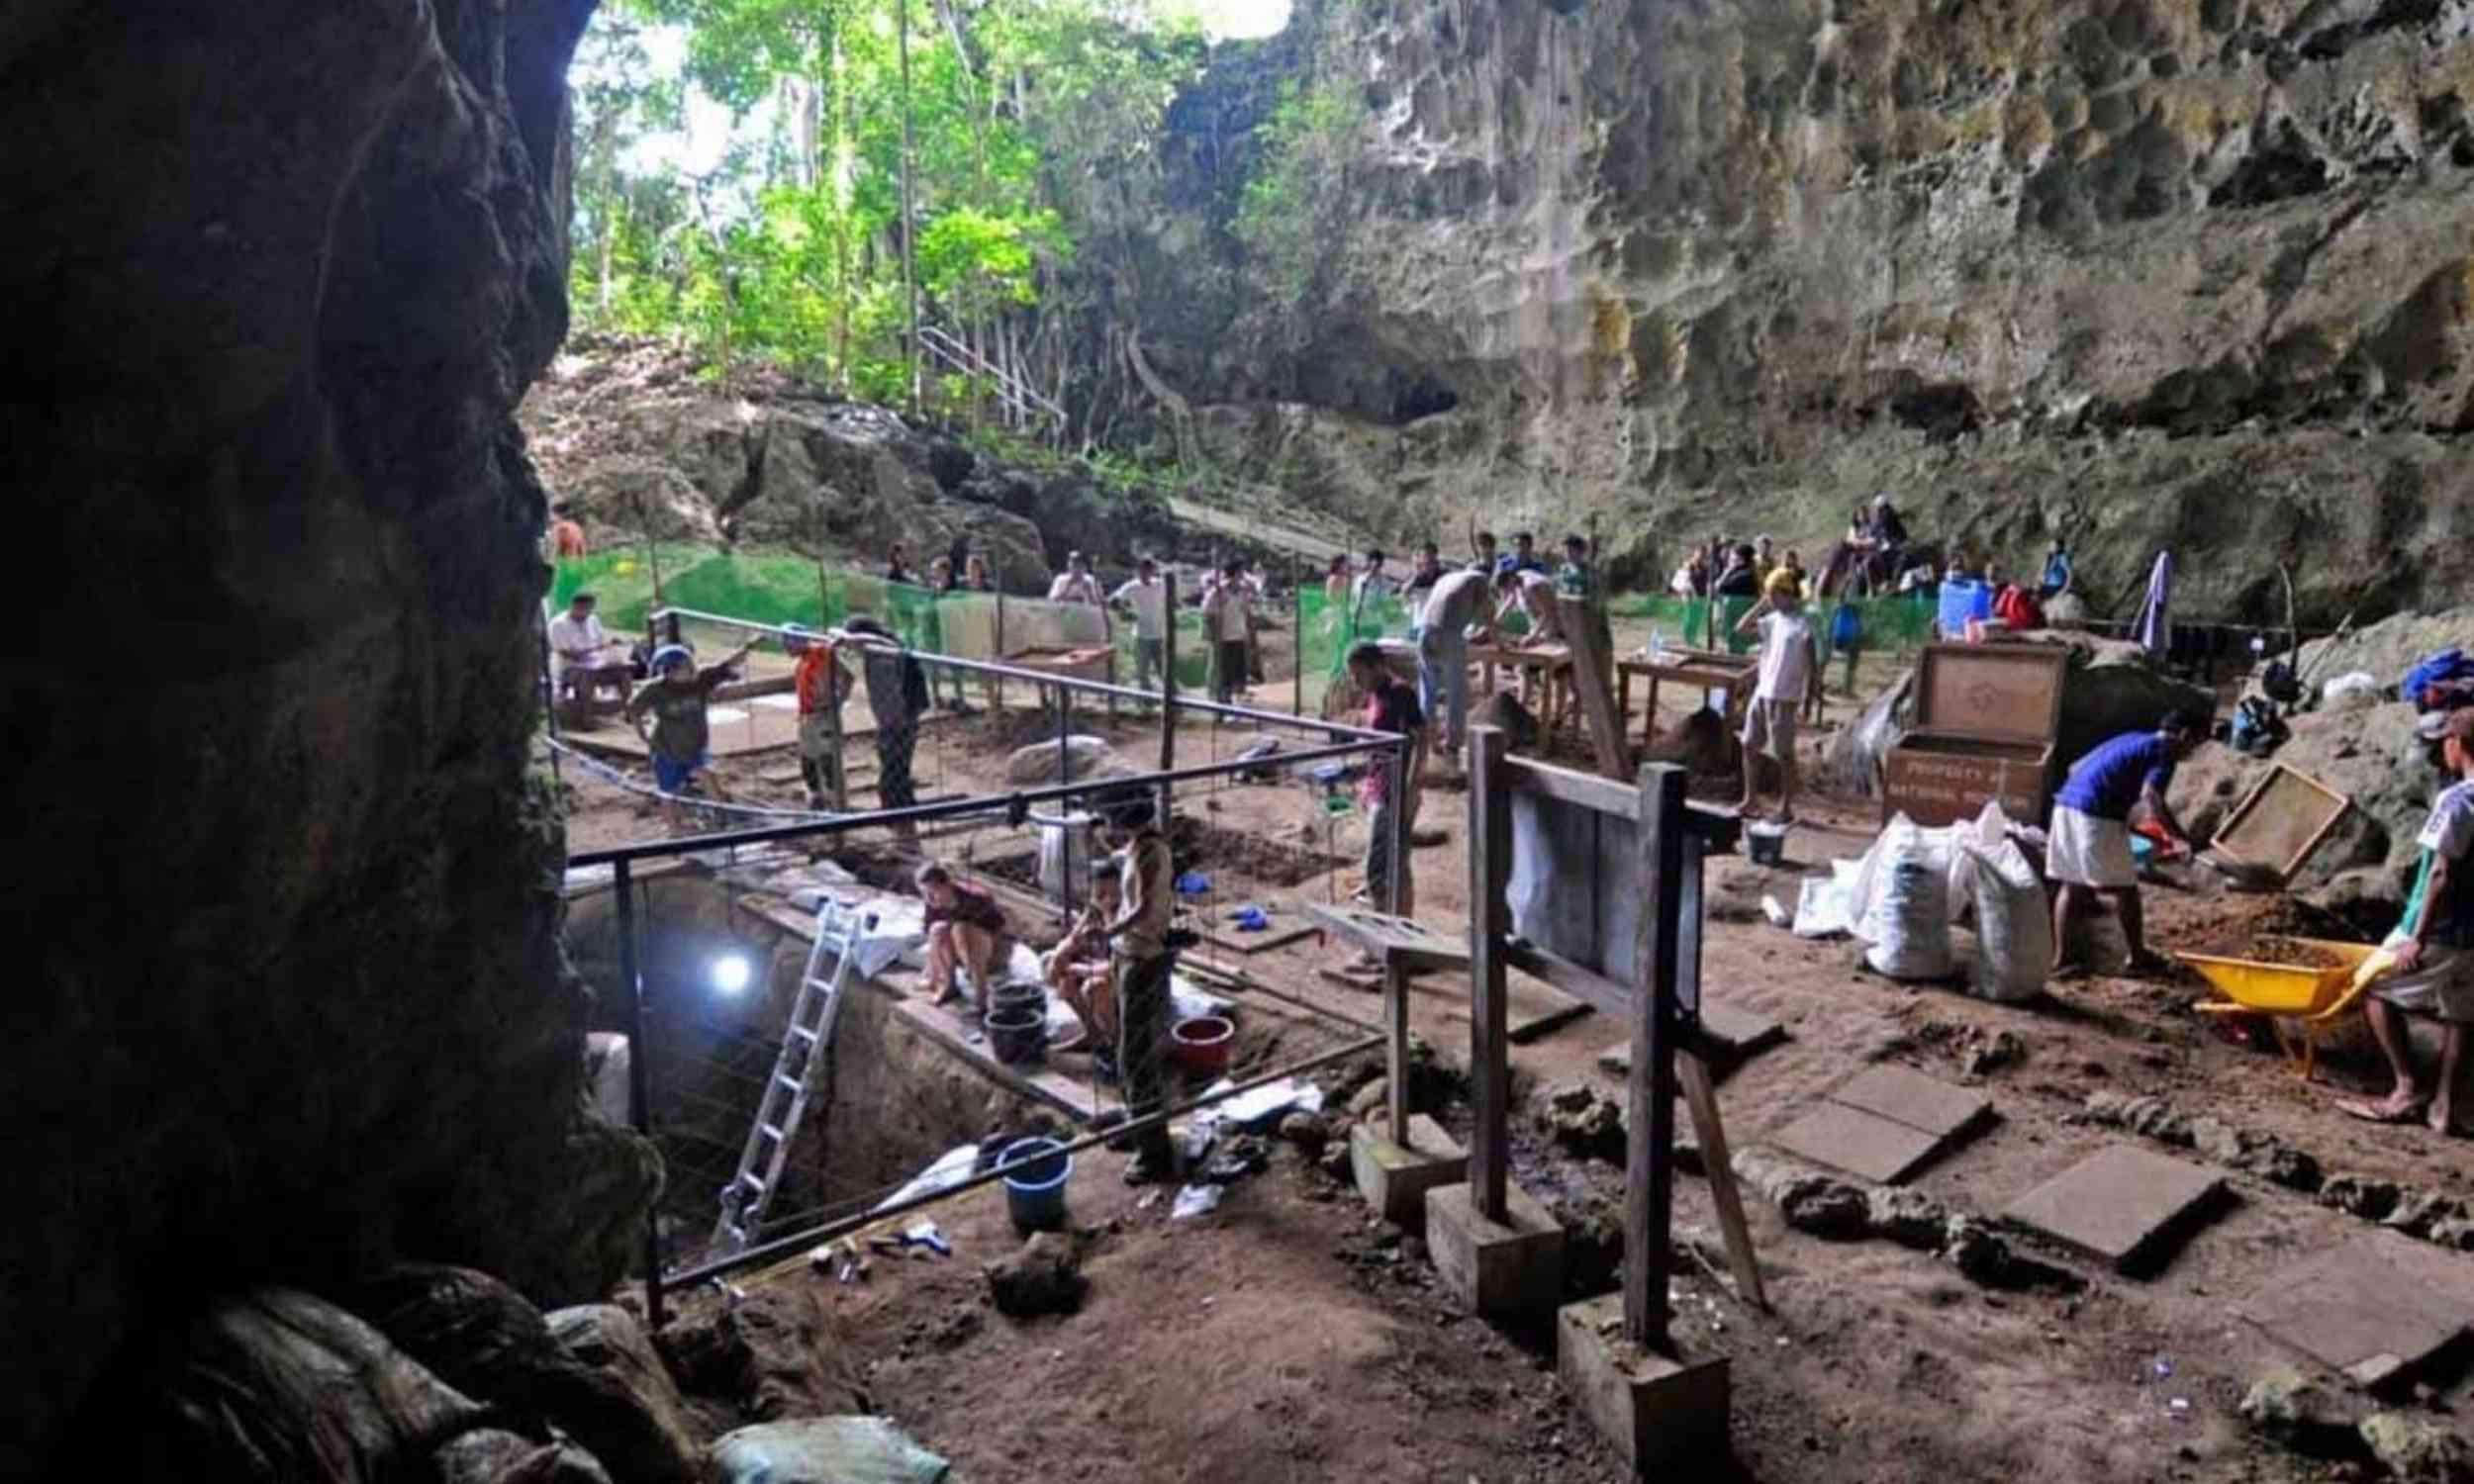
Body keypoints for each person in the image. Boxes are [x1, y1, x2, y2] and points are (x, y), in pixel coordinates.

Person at [2337, 709, 2473, 1134]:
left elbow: (2441, 873)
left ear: (2457, 743)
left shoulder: (2457, 801)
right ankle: (2446, 1108)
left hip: (2444, 926)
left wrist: (2418, 936)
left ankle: (2406, 1088)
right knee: (2461, 1013)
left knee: (2374, 988)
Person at [2046, 711, 2206, 977]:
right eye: (2196, 743)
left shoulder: (2131, 738)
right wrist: (2179, 838)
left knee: (2072, 885)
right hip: (2094, 814)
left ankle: (2061, 961)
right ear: (2185, 735)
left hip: (2065, 806)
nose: (2193, 751)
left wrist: (2124, 818)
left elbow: (2077, 767)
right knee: (2126, 890)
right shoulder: (2164, 750)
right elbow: (2151, 796)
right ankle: (2137, 958)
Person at [1101, 794, 1178, 1184]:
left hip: (1144, 957)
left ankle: (1154, 1153)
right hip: (1128, 952)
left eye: (1108, 817)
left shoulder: (1151, 852)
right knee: (1125, 1048)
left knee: (1137, 1057)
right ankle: (1137, 1127)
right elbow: (1116, 858)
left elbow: (1144, 908)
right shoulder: (1136, 845)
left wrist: (1109, 930)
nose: (1105, 823)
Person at [623, 635, 760, 829]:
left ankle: (722, 817)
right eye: (686, 667)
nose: (692, 669)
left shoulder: (701, 680)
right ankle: (674, 829)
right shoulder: (655, 690)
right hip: (668, 749)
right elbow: (633, 709)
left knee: (707, 775)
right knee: (668, 791)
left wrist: (749, 646)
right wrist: (642, 734)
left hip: (696, 744)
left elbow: (727, 664)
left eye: (691, 665)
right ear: (670, 671)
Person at [1349, 643, 1429, 936]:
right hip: (1379, 787)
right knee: (1391, 863)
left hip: (1395, 790)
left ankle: (1391, 934)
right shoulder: (1376, 694)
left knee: (1382, 867)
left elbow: (1422, 738)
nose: (1356, 681)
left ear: (1376, 667)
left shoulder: (1400, 693)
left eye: (1359, 674)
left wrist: (1412, 787)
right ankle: (1399, 931)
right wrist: (1366, 787)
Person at [1735, 570, 1817, 822]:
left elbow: (1813, 665)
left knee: (1784, 754)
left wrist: (1809, 698)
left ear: (1787, 594)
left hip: (1785, 696)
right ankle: (1750, 799)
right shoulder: (1772, 620)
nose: (1770, 599)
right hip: (1763, 691)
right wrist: (1760, 605)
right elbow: (1741, 628)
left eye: (1773, 594)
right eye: (1769, 595)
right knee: (1749, 744)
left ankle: (1786, 806)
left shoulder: (1802, 625)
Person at [846, 614, 926, 846]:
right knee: (896, 774)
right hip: (901, 719)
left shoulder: (882, 658)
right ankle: (904, 830)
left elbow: (891, 698)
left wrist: (892, 726)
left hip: (897, 723)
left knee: (893, 778)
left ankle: (905, 832)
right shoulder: (886, 648)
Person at [1043, 857, 1122, 1059]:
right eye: (1100, 894)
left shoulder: (1127, 917)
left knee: (1094, 987)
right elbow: (1073, 938)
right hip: (1099, 965)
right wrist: (1059, 955)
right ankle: (1093, 1034)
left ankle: (1117, 1045)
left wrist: (1080, 969)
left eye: (1113, 894)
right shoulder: (1094, 910)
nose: (1107, 900)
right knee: (1056, 967)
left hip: (1125, 976)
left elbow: (1117, 966)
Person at [916, 862, 1011, 1020]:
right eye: (925, 893)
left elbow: (1000, 931)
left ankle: (981, 999)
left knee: (962, 929)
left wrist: (972, 961)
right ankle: (949, 985)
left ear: (947, 884)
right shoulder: (932, 904)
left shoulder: (976, 898)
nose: (929, 898)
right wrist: (932, 973)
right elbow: (932, 937)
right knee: (938, 929)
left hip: (990, 953)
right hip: (962, 955)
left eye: (933, 891)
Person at [1416, 562, 1491, 761]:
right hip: (1449, 634)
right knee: (1457, 690)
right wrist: (1500, 643)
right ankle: (1453, 744)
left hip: (1425, 631)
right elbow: (1488, 615)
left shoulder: (1447, 578)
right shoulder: (1480, 579)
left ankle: (1427, 739)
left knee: (1428, 689)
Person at [786, 622, 854, 810]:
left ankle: (836, 801)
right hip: (807, 717)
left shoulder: (822, 653)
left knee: (828, 759)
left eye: (788, 644)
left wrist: (838, 700)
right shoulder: (802, 660)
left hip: (823, 716)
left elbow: (847, 675)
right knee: (807, 759)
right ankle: (816, 796)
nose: (786, 649)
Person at [546, 592, 627, 712]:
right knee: (588, 675)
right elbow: (567, 654)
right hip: (569, 666)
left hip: (596, 663)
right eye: (585, 609)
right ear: (575, 607)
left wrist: (611, 645)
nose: (588, 612)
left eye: (590, 609)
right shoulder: (558, 624)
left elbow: (601, 642)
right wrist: (594, 650)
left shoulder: (592, 619)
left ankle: (628, 710)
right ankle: (586, 715)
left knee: (624, 671)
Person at [1110, 557, 1171, 697]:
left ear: (1152, 571)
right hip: (1141, 634)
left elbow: (1173, 599)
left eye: (1149, 570)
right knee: (1142, 670)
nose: (1145, 573)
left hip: (1160, 633)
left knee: (1164, 669)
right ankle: (1146, 699)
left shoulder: (1160, 584)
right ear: (1139, 571)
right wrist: (1125, 613)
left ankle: (1169, 698)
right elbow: (1113, 601)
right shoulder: (1132, 586)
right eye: (1143, 570)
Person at [1200, 559, 1253, 705]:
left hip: (1238, 635)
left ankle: (1233, 699)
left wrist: (1248, 632)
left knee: (1237, 670)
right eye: (1241, 571)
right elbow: (1206, 612)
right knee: (1223, 671)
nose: (1243, 575)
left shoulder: (1242, 591)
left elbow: (1245, 611)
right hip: (1224, 637)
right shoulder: (1219, 591)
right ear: (1235, 573)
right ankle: (1220, 700)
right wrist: (1213, 633)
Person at [1991, 561, 2046, 632]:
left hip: (2015, 622)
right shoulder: (2011, 591)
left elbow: (1998, 610)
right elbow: (1998, 610)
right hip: (2023, 622)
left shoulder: (2008, 591)